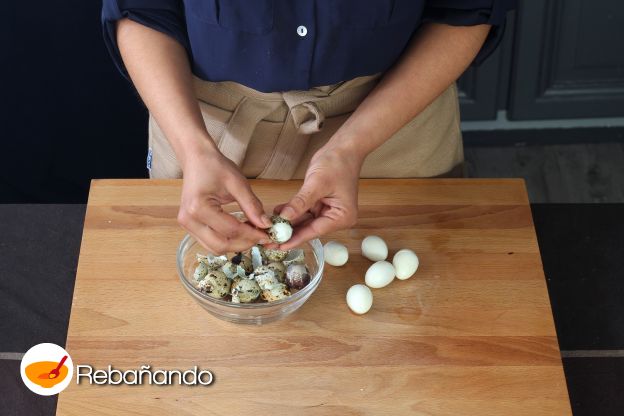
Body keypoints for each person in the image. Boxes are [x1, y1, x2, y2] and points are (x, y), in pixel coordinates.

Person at [102, 0, 516, 254]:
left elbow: (465, 9)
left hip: (394, 129)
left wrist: (351, 147)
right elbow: (140, 9)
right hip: (204, 134)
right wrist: (195, 151)